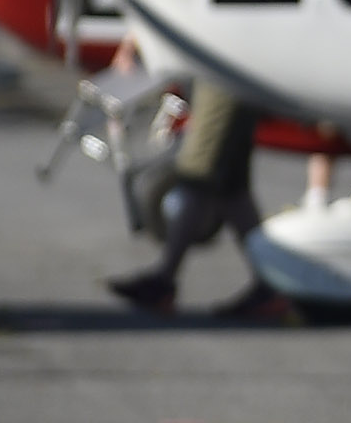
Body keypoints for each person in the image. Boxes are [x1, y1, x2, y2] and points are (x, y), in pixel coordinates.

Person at [108, 75, 286, 317]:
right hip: (225, 77)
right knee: (231, 189)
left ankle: (164, 281)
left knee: (199, 171)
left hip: (225, 77)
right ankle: (270, 286)